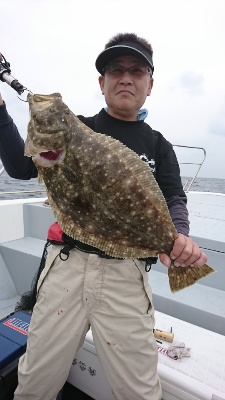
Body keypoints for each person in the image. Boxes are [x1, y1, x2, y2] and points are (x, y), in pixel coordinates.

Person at [0, 33, 207, 400]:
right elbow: (19, 167)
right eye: (115, 70)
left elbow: (174, 198)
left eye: (136, 71)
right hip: (67, 266)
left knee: (138, 391)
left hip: (127, 276)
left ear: (150, 84)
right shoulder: (78, 130)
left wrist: (178, 239)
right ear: (102, 82)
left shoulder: (159, 145)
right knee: (35, 382)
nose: (125, 78)